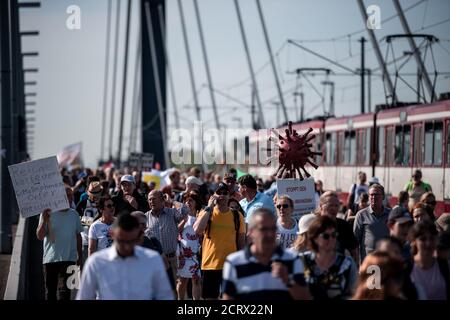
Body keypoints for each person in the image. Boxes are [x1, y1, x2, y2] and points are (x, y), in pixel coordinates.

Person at [76, 213, 174, 300]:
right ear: (112, 235)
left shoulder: (152, 260)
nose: (126, 247)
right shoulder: (96, 262)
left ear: (140, 238)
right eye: (121, 241)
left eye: (131, 241)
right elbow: (85, 296)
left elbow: (164, 295)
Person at [222, 208, 311, 300]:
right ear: (251, 232)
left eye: (273, 229)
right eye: (263, 229)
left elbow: (305, 297)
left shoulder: (292, 258)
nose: (269, 234)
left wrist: (288, 280)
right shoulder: (234, 262)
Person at [193, 182, 246, 299]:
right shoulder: (207, 212)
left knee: (230, 297)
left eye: (225, 193)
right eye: (219, 193)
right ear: (214, 195)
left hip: (230, 265)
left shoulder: (237, 215)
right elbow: (197, 230)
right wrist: (209, 206)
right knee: (210, 297)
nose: (222, 195)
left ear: (229, 196)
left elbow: (241, 241)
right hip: (210, 264)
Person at [36, 187, 83, 300]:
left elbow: (78, 236)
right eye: (67, 195)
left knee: (66, 293)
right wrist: (44, 221)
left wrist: (80, 257)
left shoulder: (74, 214)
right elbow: (40, 236)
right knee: (50, 293)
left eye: (71, 195)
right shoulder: (47, 213)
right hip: (51, 259)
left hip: (70, 259)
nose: (70, 198)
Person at [301, 216, 358, 299]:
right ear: (315, 238)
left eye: (334, 235)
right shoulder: (302, 261)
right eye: (326, 236)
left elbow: (354, 294)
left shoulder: (347, 264)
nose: (331, 239)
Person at [145, 190, 189, 283]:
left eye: (154, 199)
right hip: (154, 261)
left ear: (162, 200)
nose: (151, 201)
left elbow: (185, 210)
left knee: (172, 291)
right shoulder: (145, 217)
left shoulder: (171, 213)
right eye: (149, 199)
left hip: (171, 260)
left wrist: (172, 201)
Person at [409, 220, 450, 300]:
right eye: (423, 239)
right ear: (414, 241)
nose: (428, 243)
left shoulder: (446, 266)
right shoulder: (405, 269)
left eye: (432, 238)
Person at [317, 191, 359, 263]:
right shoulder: (313, 224)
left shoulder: (344, 225)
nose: (333, 208)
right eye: (330, 205)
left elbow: (354, 252)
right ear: (321, 206)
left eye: (336, 205)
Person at [353, 183, 390, 262]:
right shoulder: (361, 215)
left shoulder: (390, 214)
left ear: (383, 196)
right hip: (369, 262)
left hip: (387, 261)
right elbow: (355, 241)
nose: (373, 197)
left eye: (376, 194)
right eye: (371, 195)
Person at [177, 191, 202, 300]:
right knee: (182, 281)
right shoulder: (181, 216)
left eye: (191, 200)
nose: (188, 202)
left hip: (196, 254)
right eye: (186, 201)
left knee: (196, 280)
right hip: (182, 254)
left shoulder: (201, 216)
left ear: (196, 203)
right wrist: (184, 220)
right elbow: (176, 231)